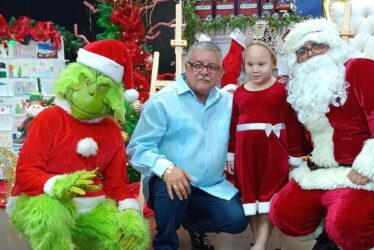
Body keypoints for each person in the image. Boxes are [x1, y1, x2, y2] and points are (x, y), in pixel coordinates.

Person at [269, 18, 374, 250]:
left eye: (317, 46)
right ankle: (331, 238)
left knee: (347, 223)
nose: (310, 54)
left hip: (363, 172)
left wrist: (372, 166)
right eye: (302, 50)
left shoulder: (361, 69)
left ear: (332, 47)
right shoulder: (302, 91)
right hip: (322, 171)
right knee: (284, 213)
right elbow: (301, 139)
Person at [6, 39, 150, 250]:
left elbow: (116, 184)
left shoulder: (111, 131)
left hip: (91, 207)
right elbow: (26, 174)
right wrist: (59, 185)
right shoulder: (50, 118)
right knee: (49, 216)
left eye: (102, 87)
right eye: (86, 80)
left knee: (127, 238)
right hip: (42, 198)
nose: (92, 92)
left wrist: (129, 212)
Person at [127, 41, 248, 250]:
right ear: (187, 67)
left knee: (237, 220)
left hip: (211, 186)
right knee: (171, 189)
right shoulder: (163, 102)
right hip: (170, 183)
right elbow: (138, 149)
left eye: (211, 67)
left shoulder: (229, 103)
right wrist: (166, 168)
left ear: (220, 72)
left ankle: (193, 225)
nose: (204, 72)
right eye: (198, 65)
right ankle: (165, 243)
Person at [226, 21, 301, 250]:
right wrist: (230, 155)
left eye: (261, 64)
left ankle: (259, 245)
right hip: (246, 154)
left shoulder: (280, 91)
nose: (255, 69)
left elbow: (292, 124)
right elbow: (233, 125)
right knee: (251, 198)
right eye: (250, 64)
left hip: (272, 153)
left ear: (273, 63)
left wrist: (294, 158)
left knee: (269, 196)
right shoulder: (239, 93)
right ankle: (257, 238)